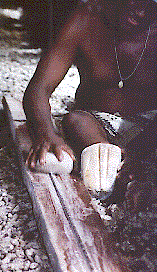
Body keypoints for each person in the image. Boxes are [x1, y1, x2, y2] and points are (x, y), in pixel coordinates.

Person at [22, 0, 157, 207]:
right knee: (75, 120)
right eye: (136, 1)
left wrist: (139, 150)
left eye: (150, 7)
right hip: (94, 120)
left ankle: (123, 173)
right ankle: (107, 162)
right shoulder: (87, 17)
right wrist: (46, 133)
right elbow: (39, 89)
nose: (140, 13)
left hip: (150, 126)